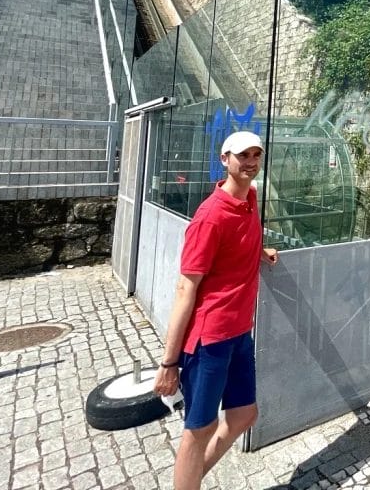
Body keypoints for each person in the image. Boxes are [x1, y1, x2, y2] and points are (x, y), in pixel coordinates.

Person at [153, 130, 278, 490]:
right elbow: (185, 289)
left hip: (239, 333)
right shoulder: (209, 217)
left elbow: (241, 243)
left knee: (244, 414)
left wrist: (260, 251)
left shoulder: (251, 198)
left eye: (256, 155)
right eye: (243, 156)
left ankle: (188, 479)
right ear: (225, 159)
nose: (251, 162)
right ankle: (187, 481)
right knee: (200, 429)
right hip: (209, 339)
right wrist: (168, 363)